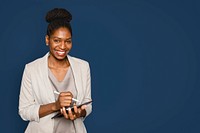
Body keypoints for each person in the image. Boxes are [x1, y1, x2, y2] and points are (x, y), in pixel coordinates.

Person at [18, 8, 92, 133]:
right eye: (57, 40)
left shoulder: (83, 67)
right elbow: (24, 111)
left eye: (67, 41)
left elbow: (88, 105)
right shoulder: (32, 69)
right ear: (47, 40)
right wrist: (55, 106)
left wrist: (79, 113)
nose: (62, 47)